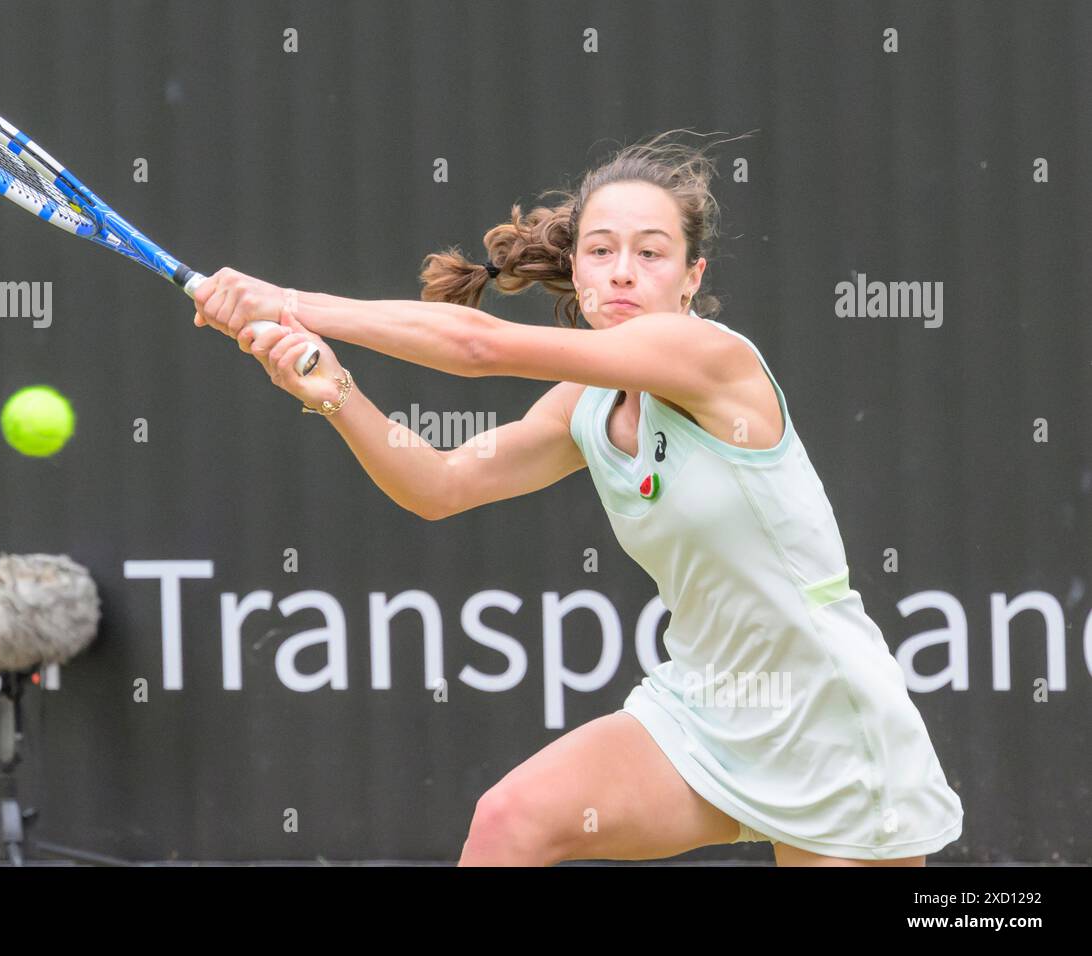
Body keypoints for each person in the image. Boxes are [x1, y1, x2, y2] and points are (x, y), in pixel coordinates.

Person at [189, 131, 964, 867]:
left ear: (692, 278)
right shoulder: (584, 404)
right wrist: (334, 391)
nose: (623, 271)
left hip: (829, 723)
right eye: (601, 251)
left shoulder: (707, 355)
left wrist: (284, 301)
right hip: (701, 711)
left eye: (651, 253)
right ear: (580, 272)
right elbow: (440, 486)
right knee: (509, 820)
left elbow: (476, 347)